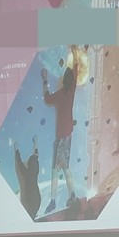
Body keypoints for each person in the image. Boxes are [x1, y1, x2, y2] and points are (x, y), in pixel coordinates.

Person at [41, 46, 81, 215]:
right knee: (65, 168)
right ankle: (73, 196)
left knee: (56, 170)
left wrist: (45, 80)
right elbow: (77, 70)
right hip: (68, 135)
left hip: (61, 136)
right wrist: (75, 53)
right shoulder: (71, 92)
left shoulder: (60, 94)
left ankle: (52, 202)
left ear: (63, 81)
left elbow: (47, 98)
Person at [11, 136, 41, 220]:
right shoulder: (35, 170)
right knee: (32, 214)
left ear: (28, 165)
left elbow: (19, 161)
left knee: (30, 215)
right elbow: (36, 156)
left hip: (31, 201)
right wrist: (35, 143)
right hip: (36, 199)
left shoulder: (25, 173)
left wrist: (16, 149)